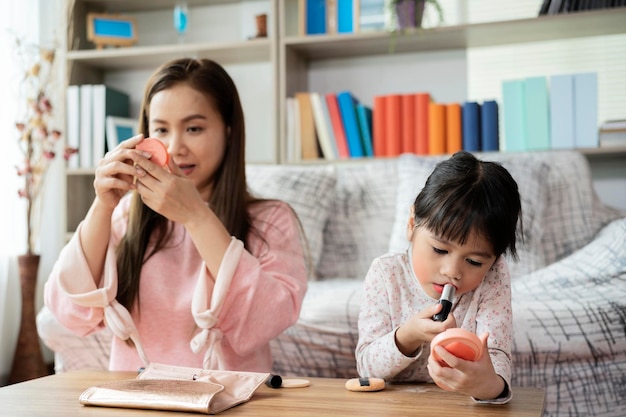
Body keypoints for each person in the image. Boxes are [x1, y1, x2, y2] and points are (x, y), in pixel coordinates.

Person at [44, 58, 308, 373]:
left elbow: (266, 321)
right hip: (139, 399)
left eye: (194, 128)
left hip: (230, 400)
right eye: (161, 130)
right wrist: (103, 206)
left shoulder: (271, 219)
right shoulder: (127, 216)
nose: (174, 148)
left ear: (229, 131)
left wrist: (196, 216)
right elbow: (69, 311)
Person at [355, 151, 522, 404]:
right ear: (412, 224)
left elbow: (497, 358)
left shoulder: (493, 278)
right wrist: (407, 336)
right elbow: (367, 369)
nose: (452, 271)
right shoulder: (386, 273)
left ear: (494, 260)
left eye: (474, 262)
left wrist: (488, 385)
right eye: (440, 250)